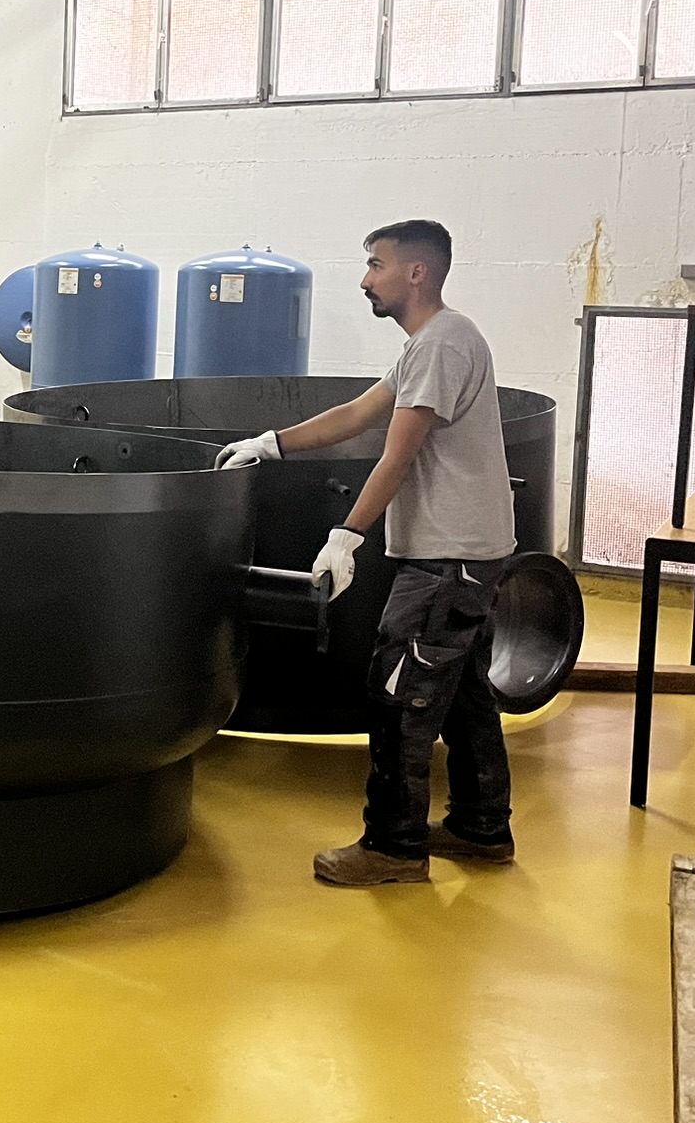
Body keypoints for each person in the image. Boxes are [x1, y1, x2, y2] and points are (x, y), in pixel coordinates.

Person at [216, 220, 517, 889]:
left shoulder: (441, 344)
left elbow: (397, 454)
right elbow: (358, 413)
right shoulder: (433, 344)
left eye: (376, 265)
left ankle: (394, 848)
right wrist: (271, 443)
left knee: (399, 697)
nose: (365, 279)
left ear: (417, 272)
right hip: (470, 554)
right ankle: (481, 827)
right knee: (464, 696)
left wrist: (346, 534)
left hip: (447, 561)